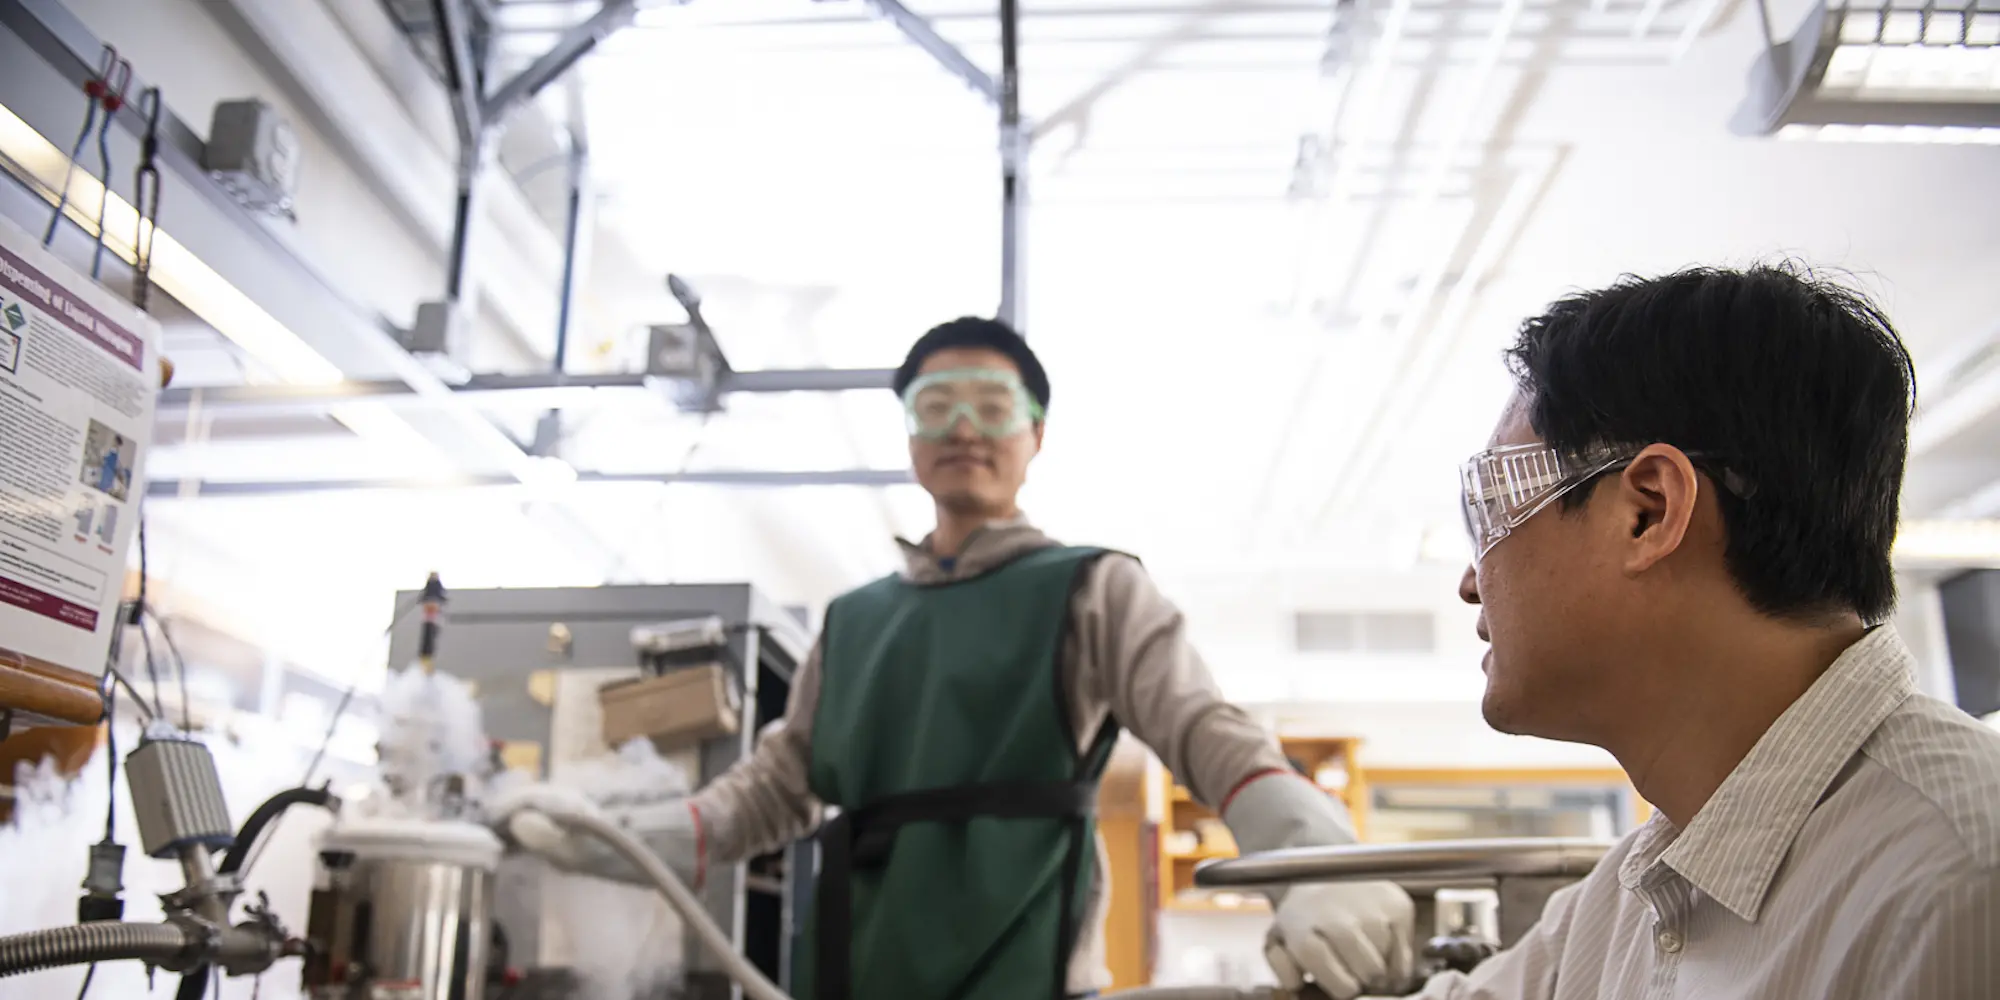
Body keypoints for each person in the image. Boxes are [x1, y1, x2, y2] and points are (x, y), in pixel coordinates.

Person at [491, 317, 1415, 1000]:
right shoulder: (853, 621)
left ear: (1035, 435)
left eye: (992, 404)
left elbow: (1204, 730)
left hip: (1022, 970)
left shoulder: (1092, 589)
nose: (963, 426)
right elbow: (772, 790)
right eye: (936, 407)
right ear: (908, 437)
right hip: (850, 972)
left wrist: (1310, 859)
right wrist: (618, 840)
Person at [1417, 265, 2000, 999]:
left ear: (1649, 511)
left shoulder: (1960, 884)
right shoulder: (1628, 901)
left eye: (1493, 510)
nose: (1472, 581)